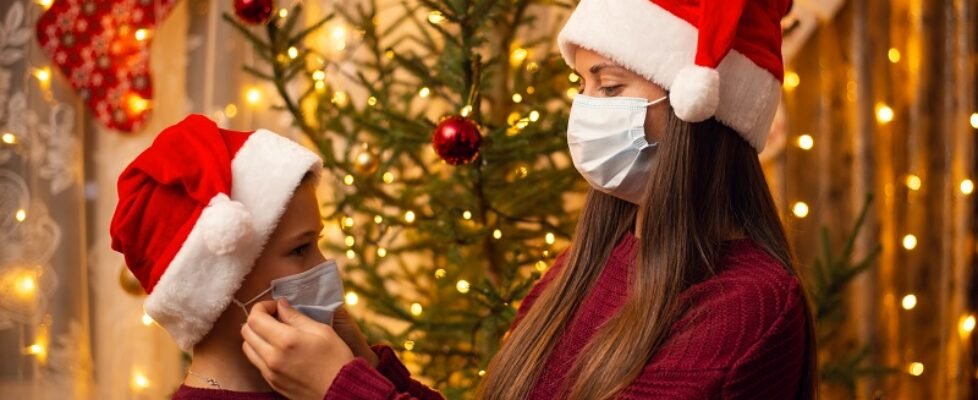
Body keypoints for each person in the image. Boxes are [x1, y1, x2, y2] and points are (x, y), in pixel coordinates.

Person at [240, 0, 818, 399]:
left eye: (610, 86)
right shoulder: (588, 265)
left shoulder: (749, 308)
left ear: (699, 104)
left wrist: (341, 388)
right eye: (583, 85)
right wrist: (361, 361)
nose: (586, 107)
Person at [110, 115, 347, 399]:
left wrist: (363, 367)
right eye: (300, 249)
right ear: (221, 284)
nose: (323, 266)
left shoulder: (312, 386)